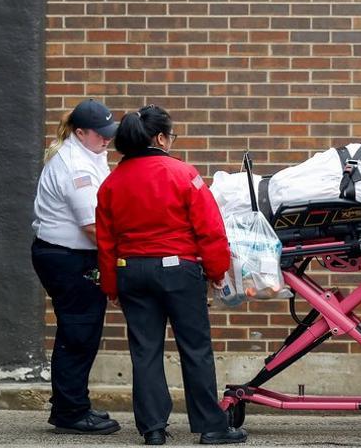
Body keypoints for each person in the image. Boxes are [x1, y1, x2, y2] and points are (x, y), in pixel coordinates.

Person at [95, 105, 248, 446]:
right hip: (179, 270)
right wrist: (217, 270)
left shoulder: (111, 183)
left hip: (130, 271)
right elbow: (210, 229)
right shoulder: (183, 174)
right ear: (161, 138)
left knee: (145, 351)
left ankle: (152, 429)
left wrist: (110, 286)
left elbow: (106, 242)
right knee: (194, 348)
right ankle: (212, 427)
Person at [30, 98, 122, 436]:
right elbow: (93, 227)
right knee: (78, 333)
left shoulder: (90, 154)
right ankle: (70, 412)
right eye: (101, 134)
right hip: (68, 257)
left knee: (80, 332)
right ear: (80, 132)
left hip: (69, 255)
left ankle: (74, 404)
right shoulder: (76, 166)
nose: (107, 140)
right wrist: (129, 253)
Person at [209, 92, 361, 217]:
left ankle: (222, 203)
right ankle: (224, 202)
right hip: (339, 171)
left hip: (337, 177)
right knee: (271, 189)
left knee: (273, 191)